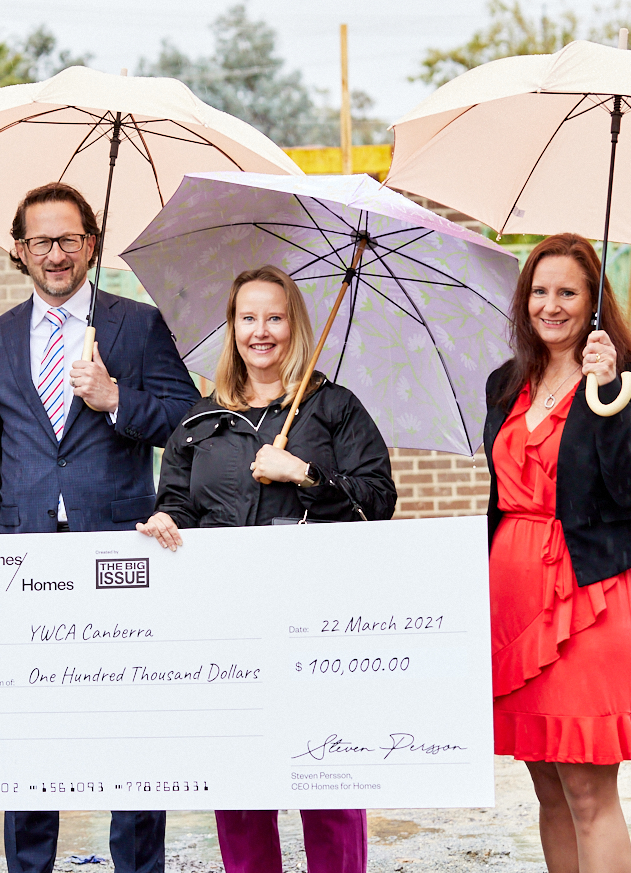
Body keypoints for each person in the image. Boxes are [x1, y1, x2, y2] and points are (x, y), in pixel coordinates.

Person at [0, 181, 198, 873]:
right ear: (19, 249)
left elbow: (189, 424)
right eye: (41, 241)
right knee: (32, 730)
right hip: (26, 560)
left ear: (91, 245)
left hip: (119, 551)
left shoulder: (138, 326)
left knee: (129, 727)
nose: (55, 254)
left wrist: (117, 399)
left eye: (68, 239)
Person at [137, 264, 395, 873]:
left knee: (326, 777)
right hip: (227, 622)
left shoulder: (333, 408)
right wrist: (165, 521)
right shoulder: (199, 423)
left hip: (316, 619)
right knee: (241, 782)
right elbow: (178, 504)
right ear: (232, 328)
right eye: (248, 318)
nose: (261, 331)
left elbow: (379, 499)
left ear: (294, 325)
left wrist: (303, 473)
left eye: (274, 317)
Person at [482, 233, 631, 873]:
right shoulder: (504, 383)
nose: (550, 305)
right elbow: (499, 495)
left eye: (567, 292)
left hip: (586, 594)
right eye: (539, 291)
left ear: (593, 302)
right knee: (548, 789)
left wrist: (608, 393)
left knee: (588, 790)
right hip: (511, 595)